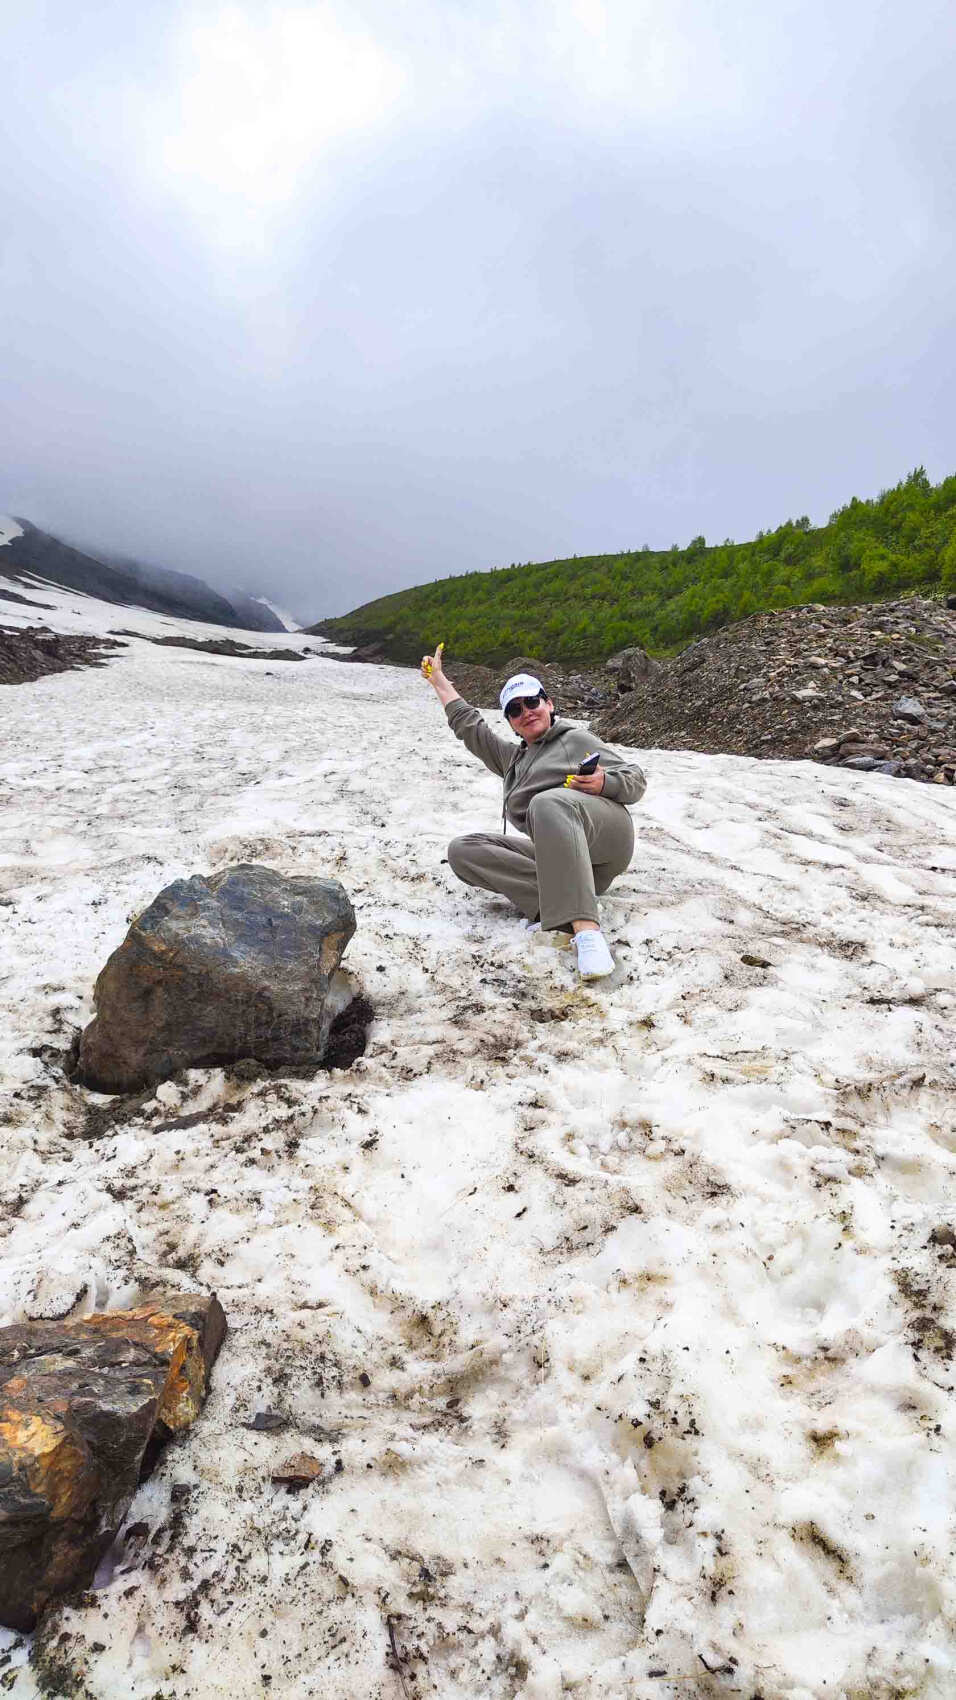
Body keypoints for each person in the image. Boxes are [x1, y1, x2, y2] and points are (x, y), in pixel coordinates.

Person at [421, 648, 646, 979]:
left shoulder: (573, 738)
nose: (525, 712)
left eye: (531, 702)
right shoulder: (513, 761)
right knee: (463, 851)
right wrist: (438, 680)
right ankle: (559, 903)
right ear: (511, 722)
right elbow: (470, 727)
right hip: (566, 862)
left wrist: (602, 782)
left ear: (549, 704)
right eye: (514, 710)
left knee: (547, 802)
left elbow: (636, 779)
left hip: (606, 842)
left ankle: (586, 932)